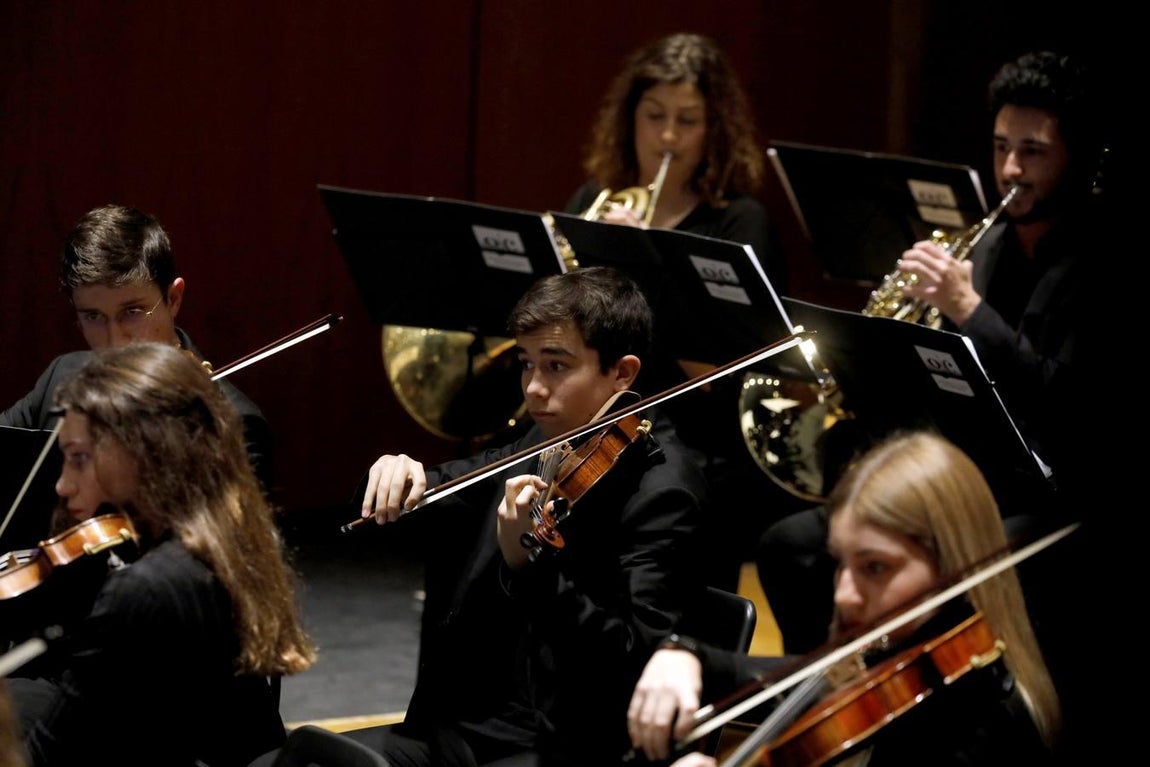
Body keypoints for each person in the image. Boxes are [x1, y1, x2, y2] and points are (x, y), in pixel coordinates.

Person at [756, 50, 1104, 656]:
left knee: (986, 571)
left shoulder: (1097, 263)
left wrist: (970, 312)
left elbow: (1065, 406)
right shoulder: (989, 247)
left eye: (1033, 152)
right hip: (959, 475)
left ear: (1074, 157)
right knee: (791, 546)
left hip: (1049, 496)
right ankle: (837, 705)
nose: (1011, 169)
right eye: (1000, 148)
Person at [341, 266, 708, 766]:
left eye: (555, 366)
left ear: (622, 373)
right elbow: (459, 482)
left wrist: (530, 566)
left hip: (557, 742)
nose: (533, 388)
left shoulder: (663, 490)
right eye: (526, 363)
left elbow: (634, 657)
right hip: (464, 725)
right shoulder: (553, 433)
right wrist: (402, 473)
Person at [628, 431, 1062, 766]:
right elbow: (795, 677)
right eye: (840, 563)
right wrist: (686, 654)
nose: (845, 595)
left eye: (875, 567)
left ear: (953, 562)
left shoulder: (982, 723)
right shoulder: (902, 657)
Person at [5, 342, 316, 767]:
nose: (62, 485)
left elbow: (47, 756)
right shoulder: (223, 541)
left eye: (79, 458)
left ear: (141, 453)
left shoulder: (146, 588)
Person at [564, 31, 794, 590]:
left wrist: (637, 269)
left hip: (694, 442)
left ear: (714, 129)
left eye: (688, 120)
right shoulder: (594, 203)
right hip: (589, 430)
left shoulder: (738, 226)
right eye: (654, 115)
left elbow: (719, 374)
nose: (668, 136)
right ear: (630, 119)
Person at [0, 204, 273, 549]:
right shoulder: (63, 376)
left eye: (132, 312)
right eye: (93, 316)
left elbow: (227, 571)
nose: (114, 340)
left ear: (173, 299)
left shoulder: (233, 422)